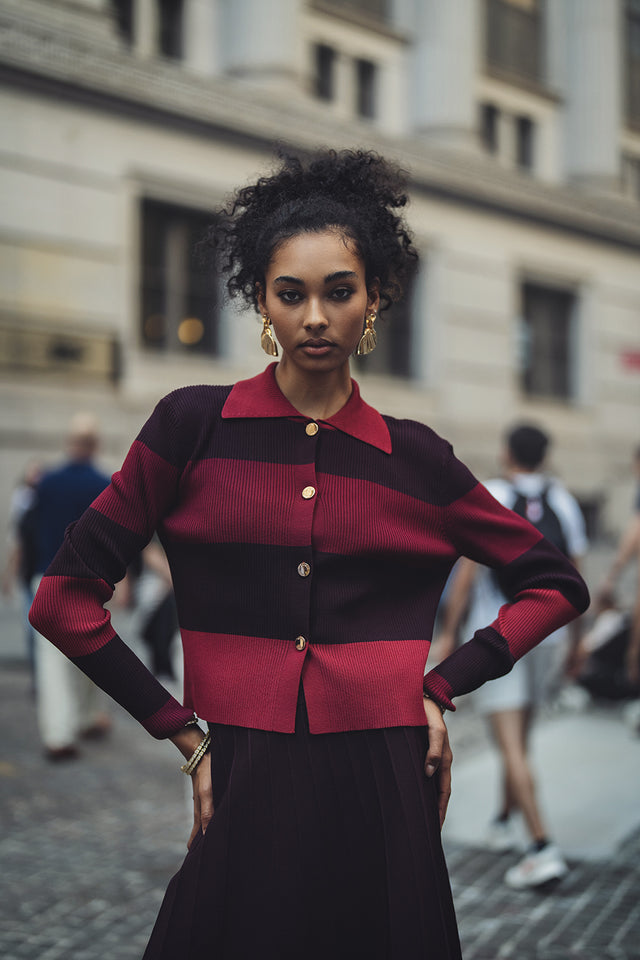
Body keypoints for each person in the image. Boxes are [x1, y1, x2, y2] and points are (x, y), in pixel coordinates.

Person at [29, 150, 589, 959]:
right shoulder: (191, 428)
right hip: (244, 770)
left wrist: (443, 683)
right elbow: (63, 599)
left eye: (340, 291)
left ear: (374, 300)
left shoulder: (419, 458)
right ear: (260, 299)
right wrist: (183, 734)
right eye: (291, 294)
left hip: (386, 774)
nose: (316, 317)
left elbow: (555, 582)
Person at [436, 424, 588, 889]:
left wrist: (449, 632)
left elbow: (467, 573)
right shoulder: (563, 500)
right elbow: (573, 575)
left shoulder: (494, 493)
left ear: (506, 452)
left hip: (503, 634)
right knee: (518, 740)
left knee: (511, 745)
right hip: (548, 635)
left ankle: (542, 848)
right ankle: (503, 820)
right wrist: (577, 641)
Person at [31, 414, 112, 760]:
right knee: (91, 652)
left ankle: (59, 735)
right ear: (94, 445)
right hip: (88, 582)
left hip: (48, 576)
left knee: (51, 662)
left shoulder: (46, 482)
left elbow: (29, 529)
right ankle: (86, 717)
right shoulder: (103, 483)